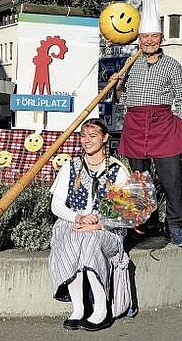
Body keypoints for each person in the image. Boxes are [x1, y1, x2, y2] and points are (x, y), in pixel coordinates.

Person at [111, 0, 182, 249]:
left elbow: (181, 98)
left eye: (153, 36)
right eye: (144, 36)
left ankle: (175, 226)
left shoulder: (171, 65)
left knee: (172, 179)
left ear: (161, 38)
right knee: (139, 181)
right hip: (135, 125)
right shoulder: (130, 63)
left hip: (163, 126)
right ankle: (146, 224)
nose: (148, 40)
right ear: (138, 39)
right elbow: (121, 99)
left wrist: (180, 124)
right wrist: (118, 85)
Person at [48, 118, 132, 332]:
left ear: (104, 138)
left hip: (107, 228)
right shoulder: (71, 166)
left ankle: (101, 309)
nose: (87, 140)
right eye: (84, 136)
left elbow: (126, 212)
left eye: (92, 136)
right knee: (71, 238)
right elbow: (56, 205)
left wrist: (97, 225)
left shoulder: (117, 170)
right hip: (74, 223)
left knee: (90, 241)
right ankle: (78, 308)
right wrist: (78, 218)